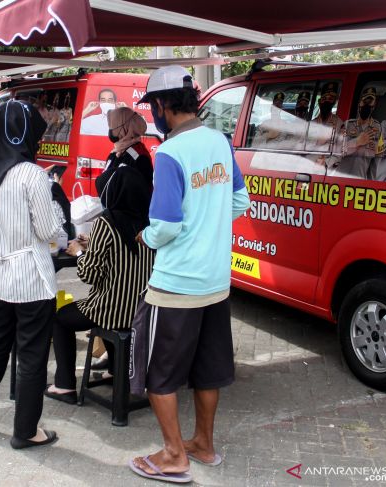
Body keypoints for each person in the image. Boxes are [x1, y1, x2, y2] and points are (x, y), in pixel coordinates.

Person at [127, 66, 250, 483]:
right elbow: (239, 203)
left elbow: (166, 227)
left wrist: (145, 236)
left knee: (158, 374)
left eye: (154, 108)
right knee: (207, 368)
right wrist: (209, 220)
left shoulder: (170, 154)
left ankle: (174, 455)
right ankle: (203, 444)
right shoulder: (219, 140)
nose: (154, 116)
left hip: (176, 284)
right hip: (216, 281)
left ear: (162, 106)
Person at [0, 100, 61, 450]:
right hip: (30, 277)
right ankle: (26, 431)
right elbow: (49, 230)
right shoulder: (31, 175)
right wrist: (64, 233)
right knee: (32, 353)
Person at [44, 121, 155, 404]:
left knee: (61, 318)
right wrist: (91, 246)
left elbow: (90, 274)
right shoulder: (150, 224)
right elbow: (124, 254)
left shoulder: (107, 222)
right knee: (110, 313)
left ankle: (64, 385)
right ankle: (118, 373)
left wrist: (79, 253)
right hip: (141, 310)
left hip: (111, 309)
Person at [337, 87, 381, 179]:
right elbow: (337, 149)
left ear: (374, 106)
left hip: (359, 180)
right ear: (359, 104)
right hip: (340, 178)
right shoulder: (348, 124)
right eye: (364, 102)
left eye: (370, 103)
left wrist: (370, 183)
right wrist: (356, 142)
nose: (366, 105)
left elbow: (376, 160)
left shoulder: (378, 128)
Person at [307, 82, 344, 168]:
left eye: (330, 99)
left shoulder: (339, 124)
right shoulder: (310, 124)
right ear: (319, 102)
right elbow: (300, 148)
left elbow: (339, 152)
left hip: (327, 172)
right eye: (324, 98)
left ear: (334, 102)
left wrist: (326, 162)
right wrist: (318, 142)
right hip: (308, 167)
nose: (327, 101)